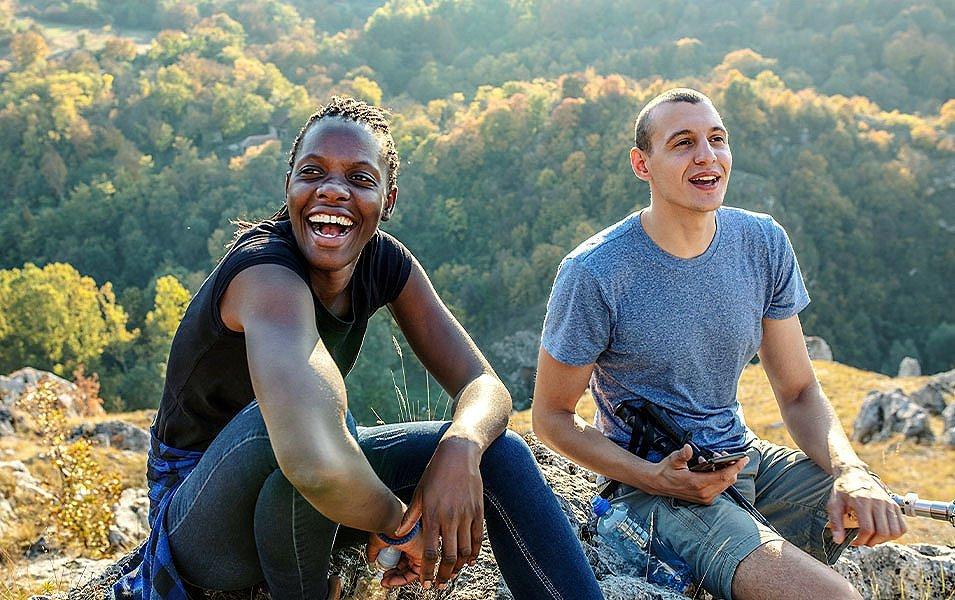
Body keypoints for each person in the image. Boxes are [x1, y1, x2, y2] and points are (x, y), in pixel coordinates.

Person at [113, 96, 603, 600]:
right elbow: (312, 461)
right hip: (206, 520)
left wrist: (461, 447)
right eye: (313, 172)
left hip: (306, 492)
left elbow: (484, 387)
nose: (332, 190)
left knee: (501, 453)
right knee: (319, 422)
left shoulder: (384, 263)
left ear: (387, 200)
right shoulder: (263, 277)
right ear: (290, 185)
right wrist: (399, 525)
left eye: (359, 179)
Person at [532, 88, 905, 600]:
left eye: (717, 139)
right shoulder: (595, 272)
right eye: (683, 143)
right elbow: (550, 417)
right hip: (653, 490)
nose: (707, 156)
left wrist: (851, 470)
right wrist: (655, 478)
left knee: (861, 498)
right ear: (642, 164)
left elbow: (798, 391)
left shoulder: (761, 242)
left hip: (740, 458)